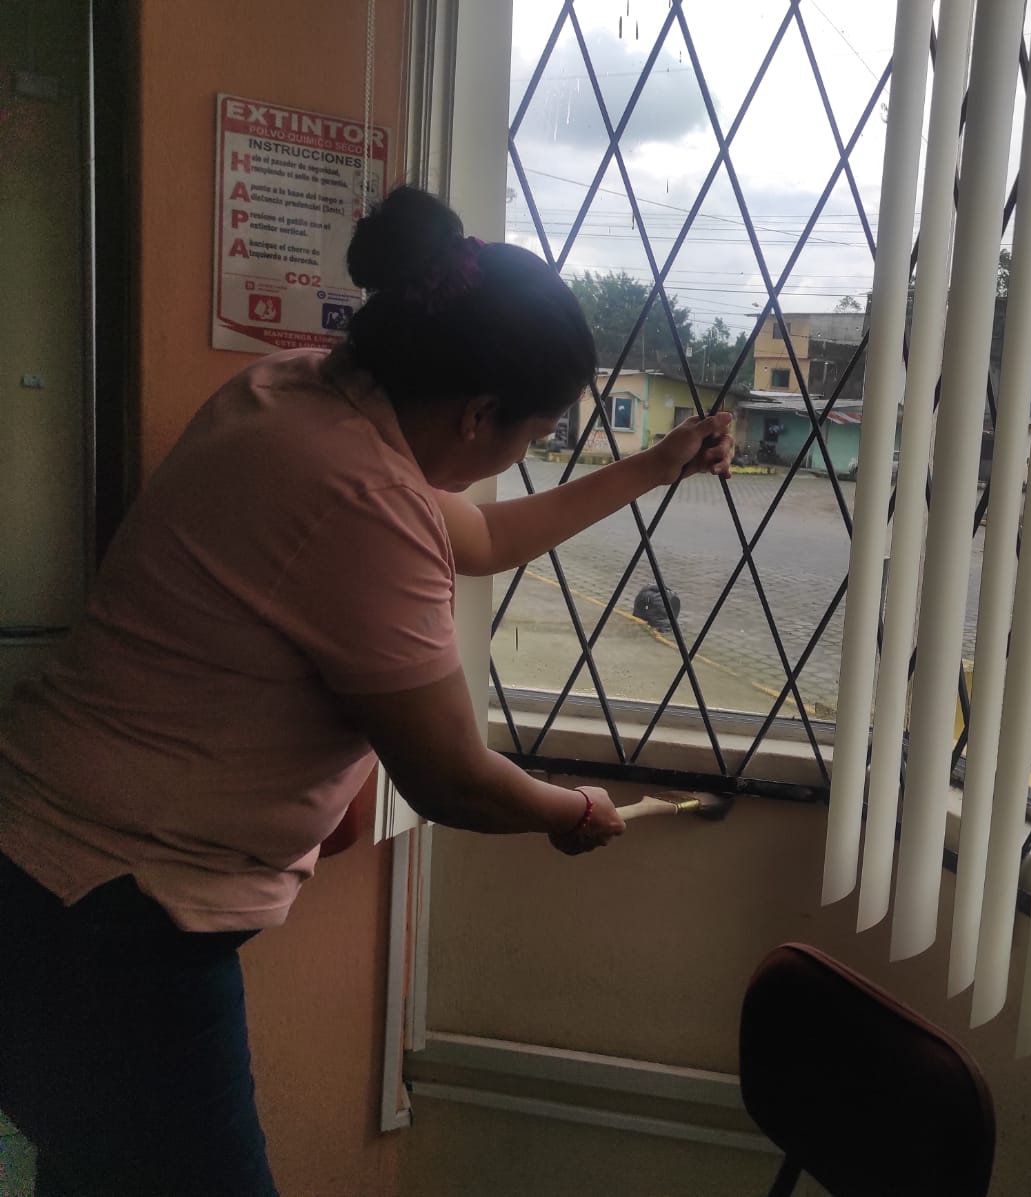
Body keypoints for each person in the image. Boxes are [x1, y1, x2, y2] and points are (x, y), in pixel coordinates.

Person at [0, 186, 734, 1195]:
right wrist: (570, 811)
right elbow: (450, 778)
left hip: (54, 874)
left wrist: (653, 466)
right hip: (109, 914)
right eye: (533, 434)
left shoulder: (297, 392)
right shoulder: (362, 492)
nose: (521, 455)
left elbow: (481, 536)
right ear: (478, 414)